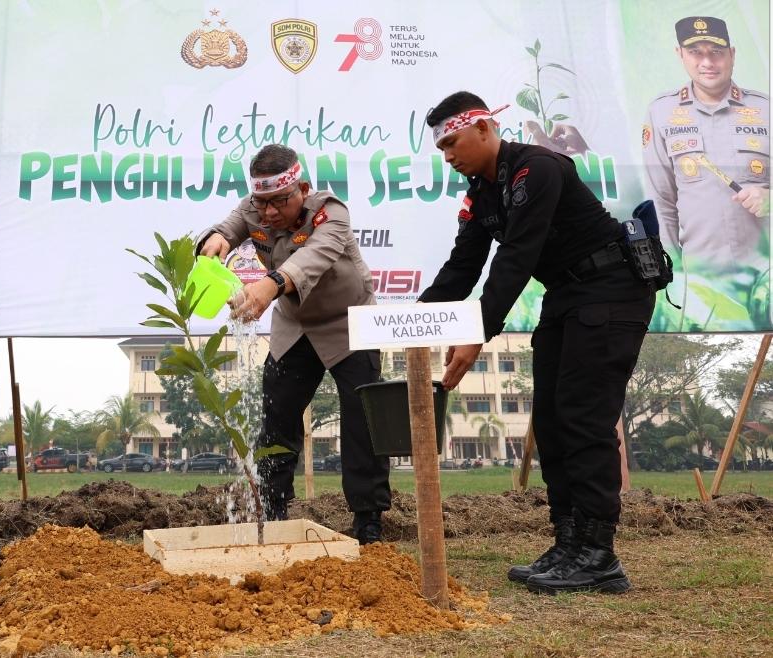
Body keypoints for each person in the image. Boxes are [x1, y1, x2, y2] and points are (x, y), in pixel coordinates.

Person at [419, 92, 656, 594]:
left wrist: (476, 332)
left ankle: (599, 554)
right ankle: (569, 543)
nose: (448, 155)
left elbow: (517, 258)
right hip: (568, 294)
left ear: (484, 128)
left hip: (611, 289)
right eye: (440, 148)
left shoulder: (537, 168)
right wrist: (413, 324)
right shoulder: (481, 191)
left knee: (582, 417)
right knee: (549, 420)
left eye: (452, 141)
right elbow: (464, 265)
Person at [197, 144, 390, 543]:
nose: (268, 213)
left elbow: (313, 257)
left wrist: (270, 285)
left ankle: (368, 519)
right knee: (277, 418)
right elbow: (227, 228)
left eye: (279, 202)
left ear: (301, 188)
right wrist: (213, 242)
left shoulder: (331, 213)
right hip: (295, 324)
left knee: (362, 420)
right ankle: (273, 510)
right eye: (262, 203)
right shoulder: (253, 208)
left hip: (350, 323)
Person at [643, 16, 770, 273]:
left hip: (766, 270)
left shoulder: (766, 109)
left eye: (717, 52)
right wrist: (672, 270)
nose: (707, 62)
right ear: (680, 54)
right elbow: (661, 201)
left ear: (732, 54)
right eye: (695, 52)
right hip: (701, 275)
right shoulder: (661, 112)